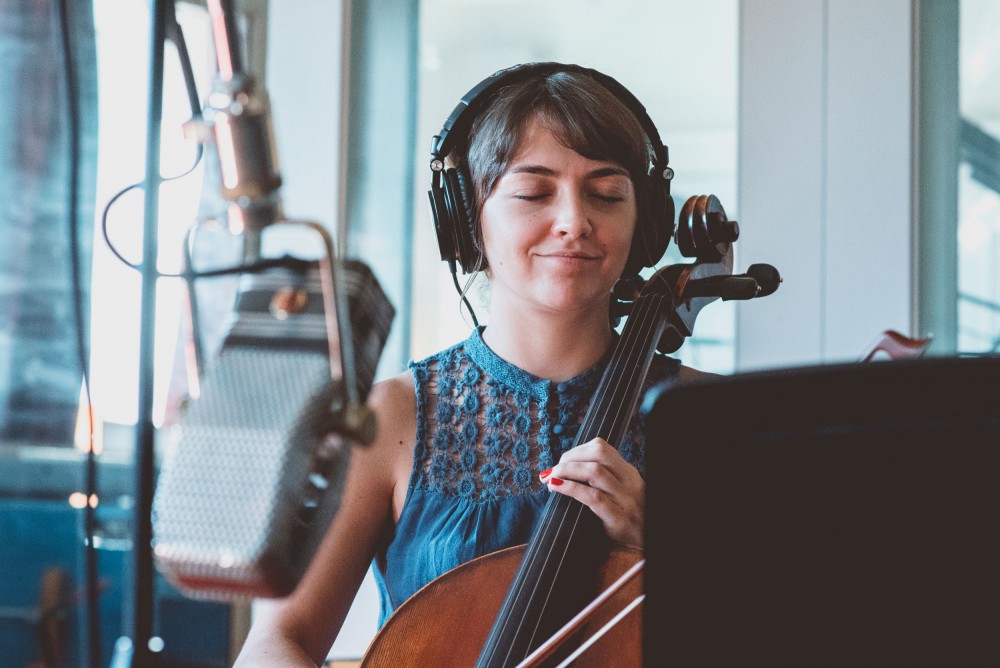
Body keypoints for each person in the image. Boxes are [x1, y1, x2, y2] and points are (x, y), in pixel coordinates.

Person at [234, 62, 707, 666]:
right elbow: (276, 643)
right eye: (533, 193)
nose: (574, 222)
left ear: (645, 223)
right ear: (466, 220)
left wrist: (663, 555)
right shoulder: (393, 416)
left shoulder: (705, 419)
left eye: (606, 194)